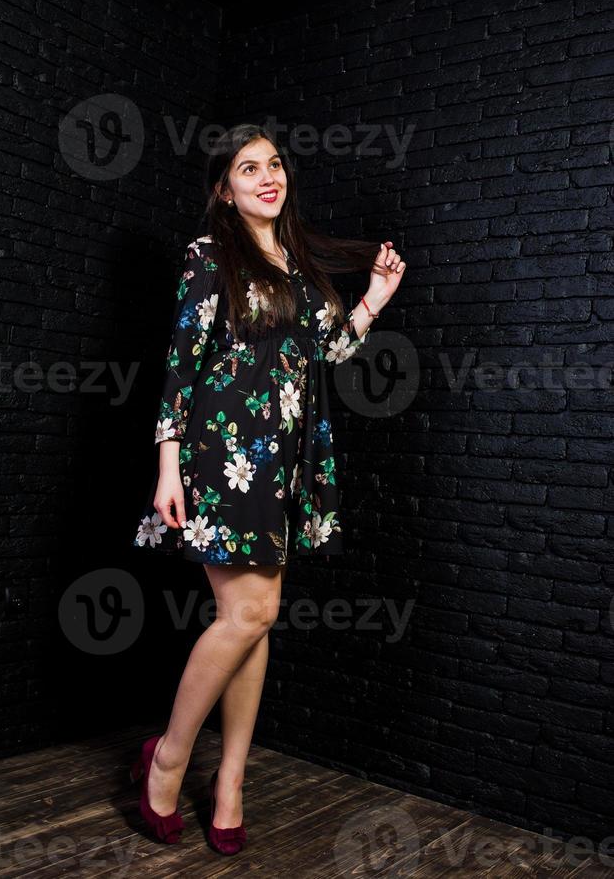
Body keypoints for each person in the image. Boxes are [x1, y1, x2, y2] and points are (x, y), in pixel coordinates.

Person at [130, 124, 406, 855]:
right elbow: (181, 363)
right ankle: (167, 759)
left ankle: (230, 786)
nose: (266, 177)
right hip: (222, 455)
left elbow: (328, 354)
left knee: (254, 618)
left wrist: (375, 297)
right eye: (248, 168)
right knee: (250, 611)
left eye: (275, 163)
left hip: (282, 458)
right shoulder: (208, 255)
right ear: (225, 187)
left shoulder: (297, 262)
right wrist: (167, 464)